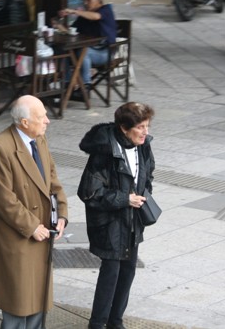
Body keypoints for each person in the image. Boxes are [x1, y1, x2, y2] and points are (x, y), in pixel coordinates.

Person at [0, 95, 69, 328]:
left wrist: (61, 214)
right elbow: (3, 198)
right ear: (24, 122)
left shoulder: (39, 138)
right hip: (17, 235)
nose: (47, 121)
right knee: (17, 305)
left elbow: (52, 179)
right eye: (42, 117)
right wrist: (32, 227)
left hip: (43, 229)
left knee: (38, 301)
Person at [77, 101, 156, 329]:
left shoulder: (143, 146)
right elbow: (89, 192)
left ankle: (115, 322)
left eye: (147, 126)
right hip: (109, 223)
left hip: (133, 221)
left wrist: (143, 196)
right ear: (124, 127)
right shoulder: (104, 151)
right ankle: (98, 324)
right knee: (111, 273)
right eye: (140, 127)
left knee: (128, 271)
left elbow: (148, 175)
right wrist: (125, 199)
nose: (145, 132)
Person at [57, 0, 117, 99]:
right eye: (84, 0)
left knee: (84, 51)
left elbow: (96, 17)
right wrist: (59, 26)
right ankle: (67, 84)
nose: (85, 3)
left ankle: (85, 88)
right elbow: (72, 31)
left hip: (105, 52)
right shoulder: (84, 15)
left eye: (88, 0)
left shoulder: (106, 10)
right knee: (62, 51)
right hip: (88, 50)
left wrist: (75, 11)